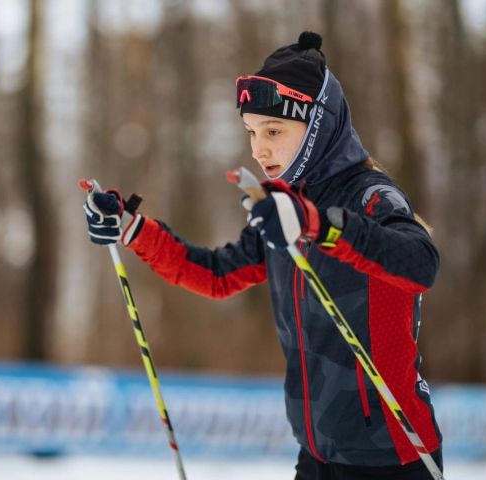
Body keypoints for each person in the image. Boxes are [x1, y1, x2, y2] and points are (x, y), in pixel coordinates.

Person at [83, 31, 442, 480]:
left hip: (392, 458)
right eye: (251, 131)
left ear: (318, 125)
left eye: (274, 131)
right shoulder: (281, 208)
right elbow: (216, 274)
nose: (259, 149)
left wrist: (318, 225)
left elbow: (420, 263)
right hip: (316, 457)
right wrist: (134, 230)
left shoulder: (371, 196)